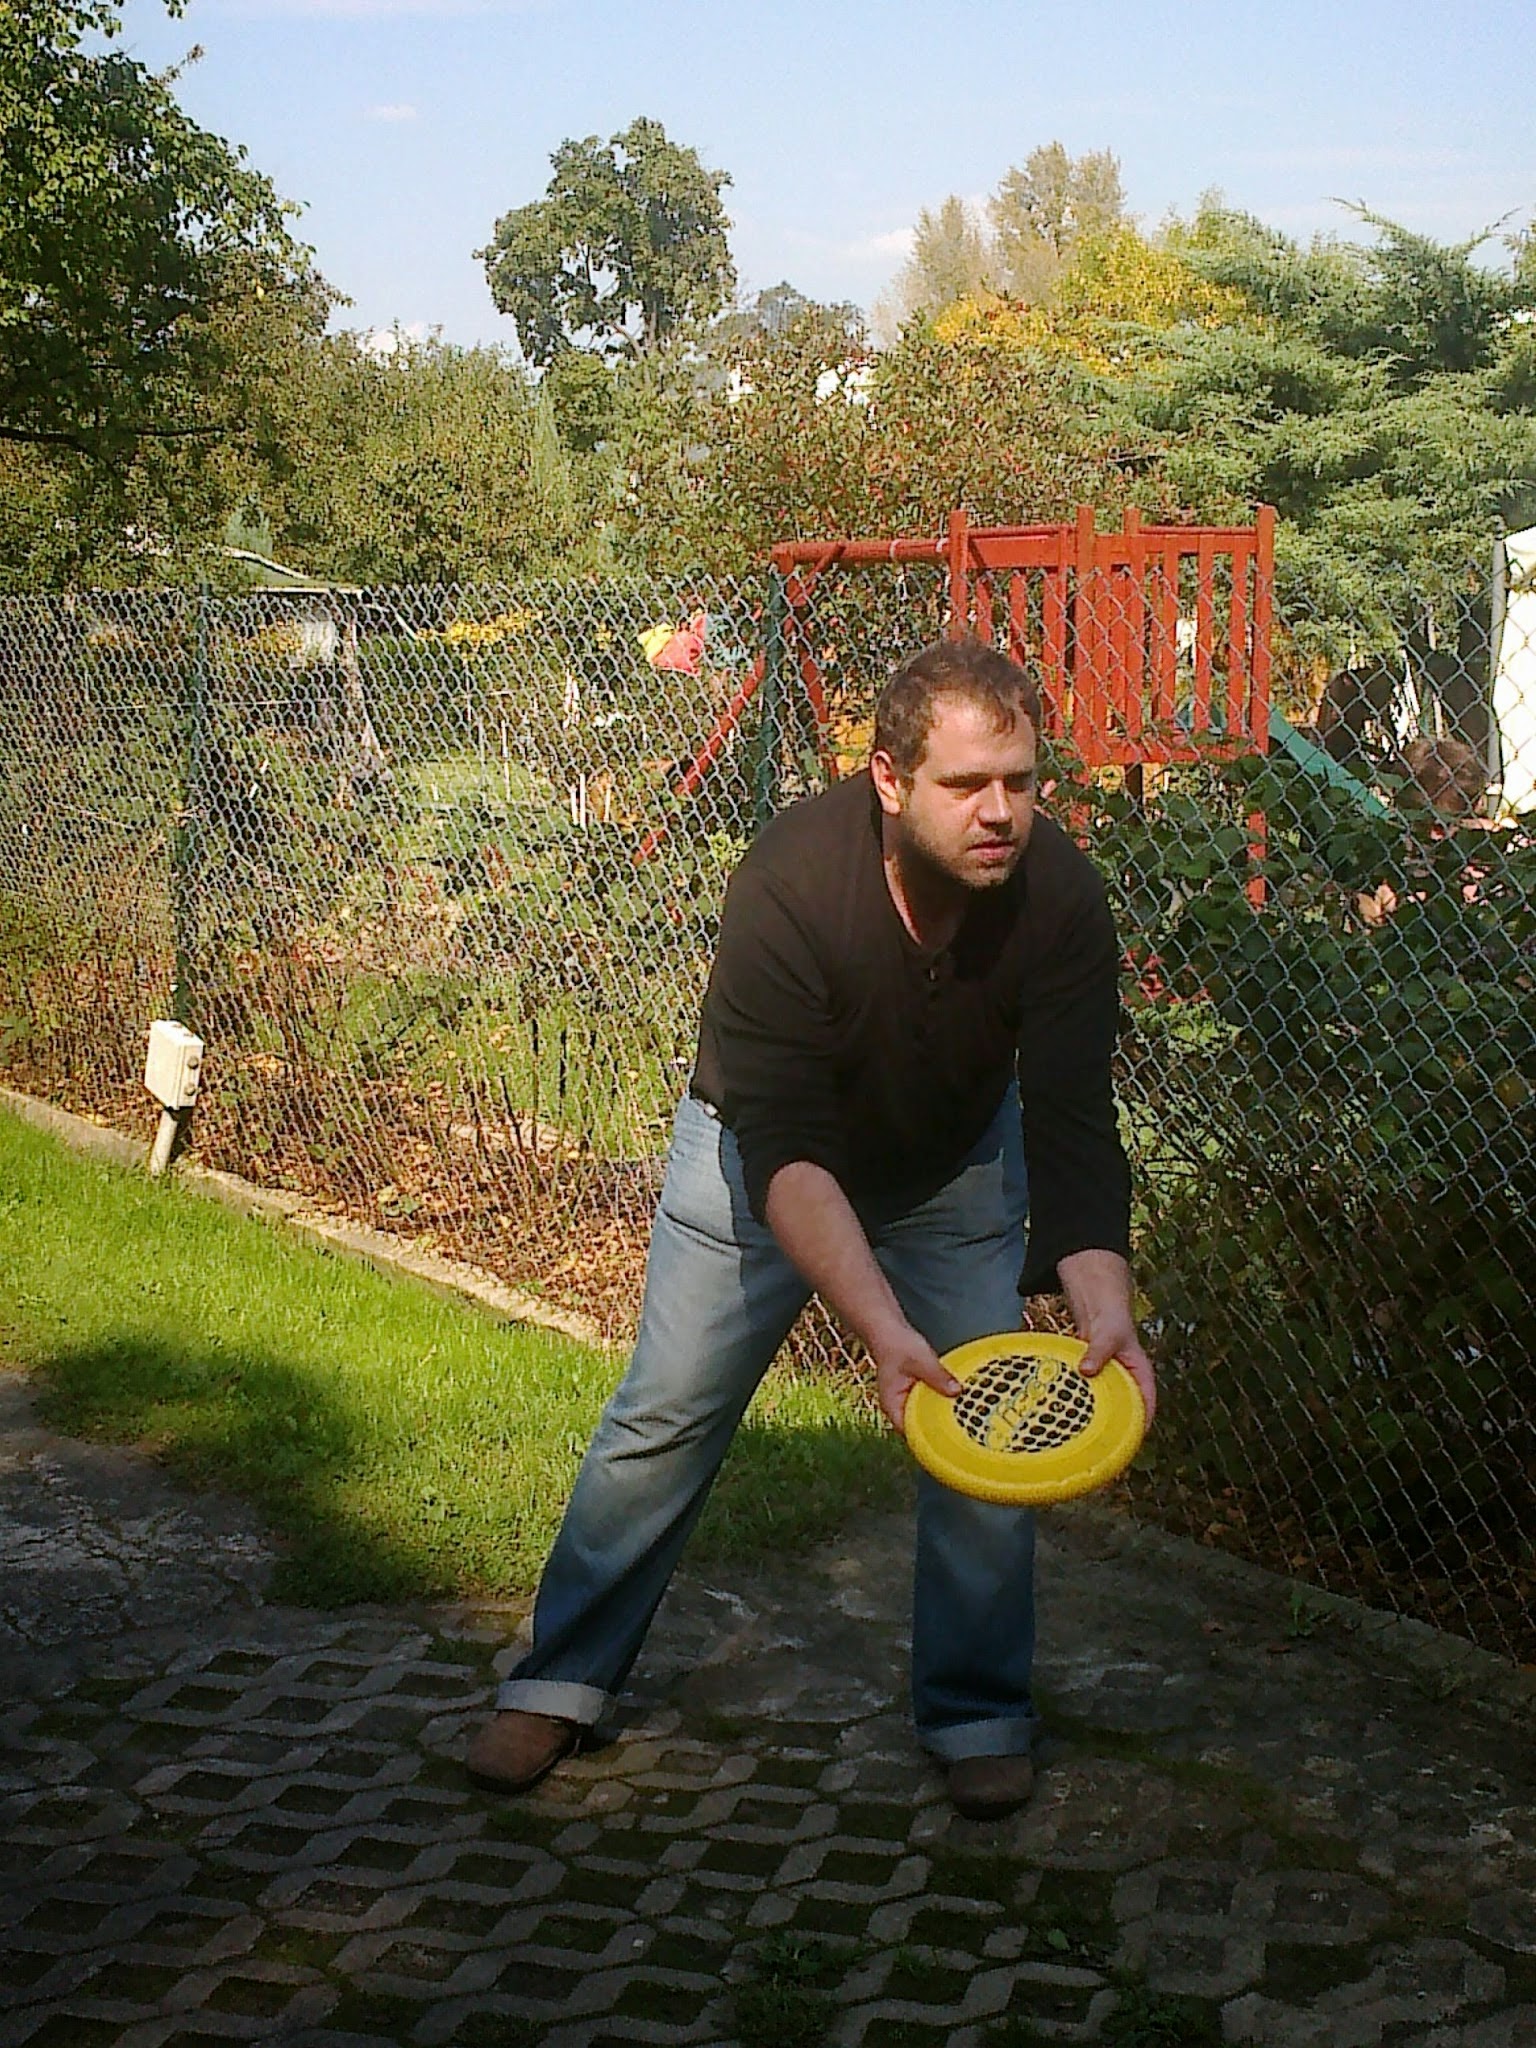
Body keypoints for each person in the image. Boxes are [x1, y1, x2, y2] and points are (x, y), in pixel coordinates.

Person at [467, 637, 1156, 1821]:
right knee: (666, 1412)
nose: (1001, 812)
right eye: (966, 784)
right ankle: (558, 1678)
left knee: (982, 1427)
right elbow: (786, 1150)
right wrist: (882, 1331)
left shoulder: (1059, 893)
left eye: (1021, 780)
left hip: (951, 1166)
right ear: (888, 778)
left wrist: (1106, 1305)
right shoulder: (789, 881)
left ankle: (978, 1709)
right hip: (758, 1165)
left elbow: (1074, 1117)